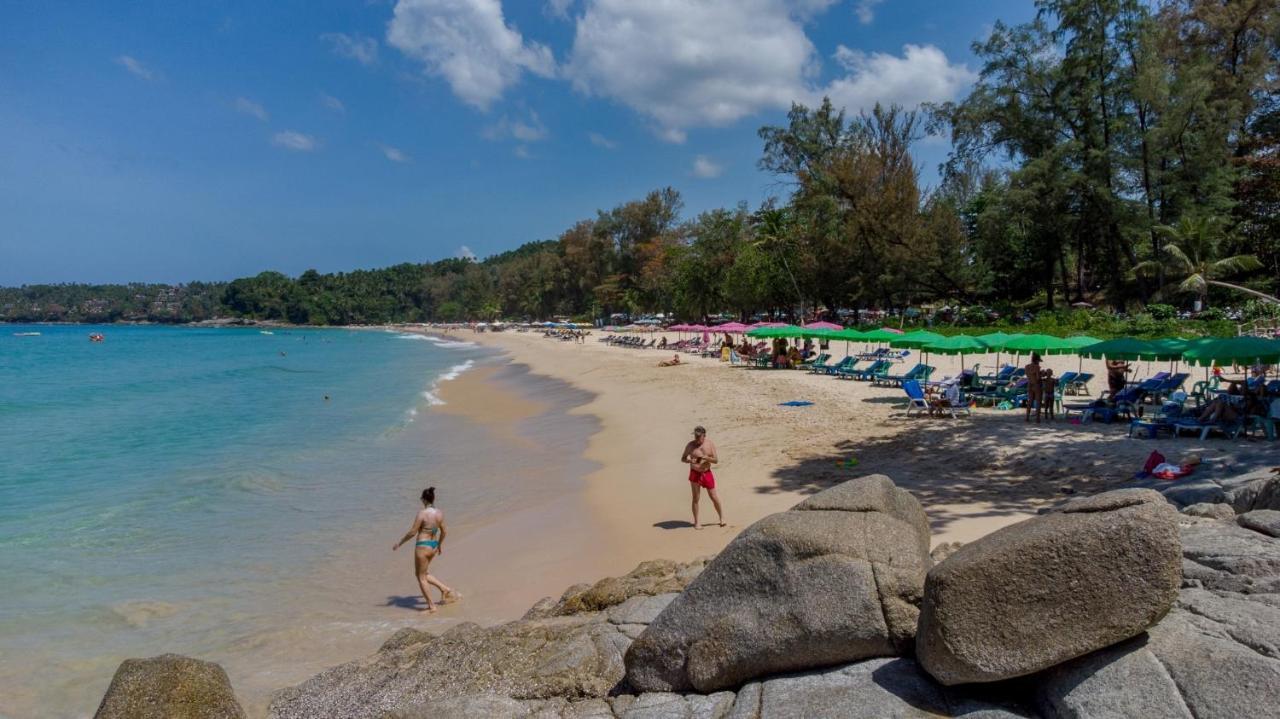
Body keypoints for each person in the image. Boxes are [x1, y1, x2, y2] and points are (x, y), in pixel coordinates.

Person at [392, 487, 460, 613]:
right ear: (433, 499)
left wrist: (400, 543)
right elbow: (444, 531)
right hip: (433, 545)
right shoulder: (439, 513)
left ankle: (431, 607)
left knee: (420, 577)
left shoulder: (422, 514)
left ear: (423, 499)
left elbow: (413, 532)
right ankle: (445, 589)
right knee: (424, 573)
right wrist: (439, 545)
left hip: (422, 546)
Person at [681, 426, 724, 529]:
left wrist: (707, 458)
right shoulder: (690, 446)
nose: (696, 438)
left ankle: (721, 518)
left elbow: (716, 460)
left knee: (713, 496)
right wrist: (690, 461)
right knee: (696, 498)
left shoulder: (709, 444)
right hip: (694, 473)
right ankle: (696, 522)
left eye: (699, 437)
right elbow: (683, 458)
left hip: (706, 472)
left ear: (704, 436)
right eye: (695, 436)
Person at [1025, 353, 1043, 423]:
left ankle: (1027, 417)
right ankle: (1037, 418)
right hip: (1036, 385)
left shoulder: (1026, 366)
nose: (1039, 362)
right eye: (1038, 361)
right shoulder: (1037, 367)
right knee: (1038, 401)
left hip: (1029, 384)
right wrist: (1042, 374)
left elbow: (1029, 375)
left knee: (1030, 401)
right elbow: (1038, 378)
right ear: (1037, 360)